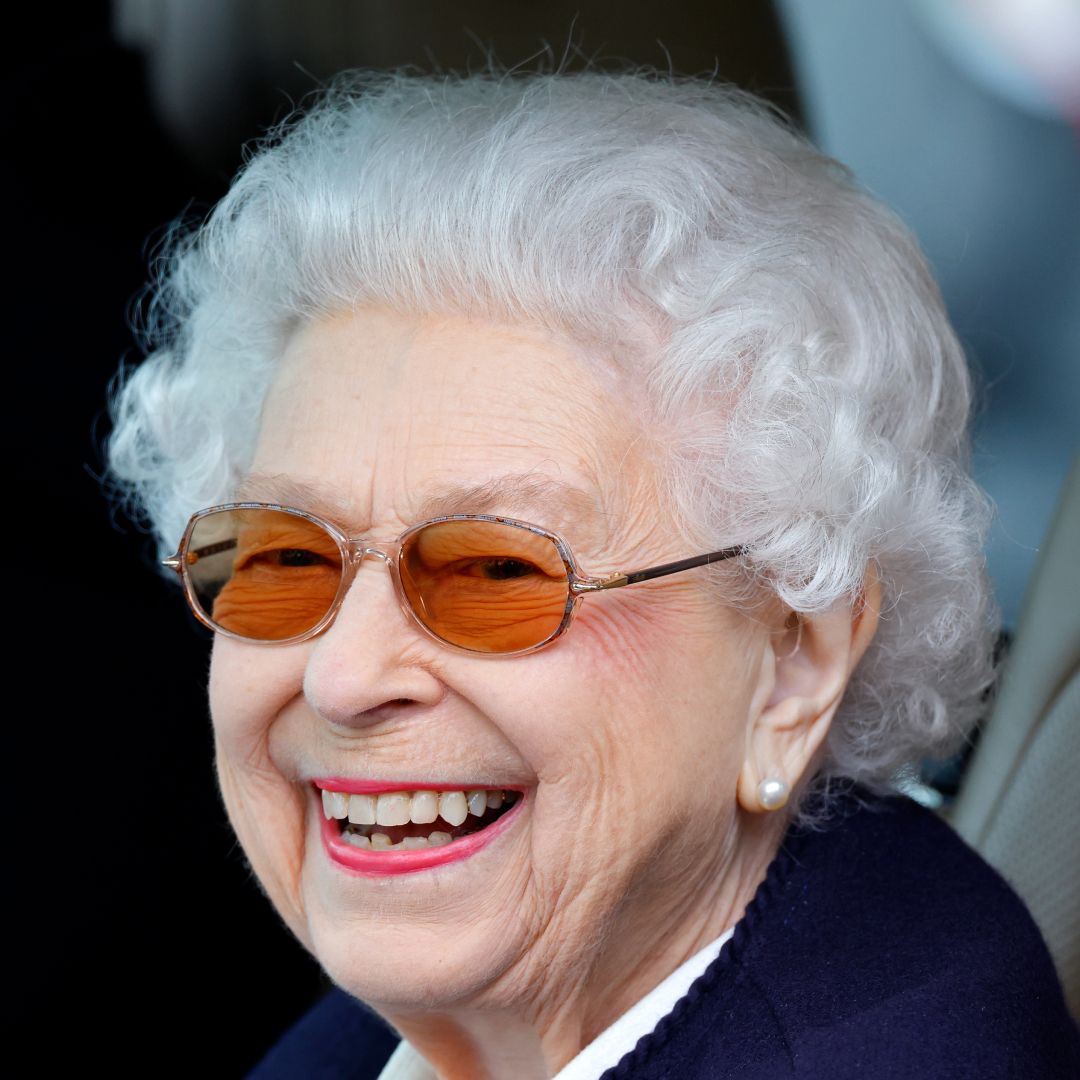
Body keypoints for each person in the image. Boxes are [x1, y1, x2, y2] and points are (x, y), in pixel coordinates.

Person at [103, 67, 1080, 1079]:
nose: (341, 677)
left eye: (496, 569)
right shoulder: (447, 1026)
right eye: (288, 557)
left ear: (792, 663)